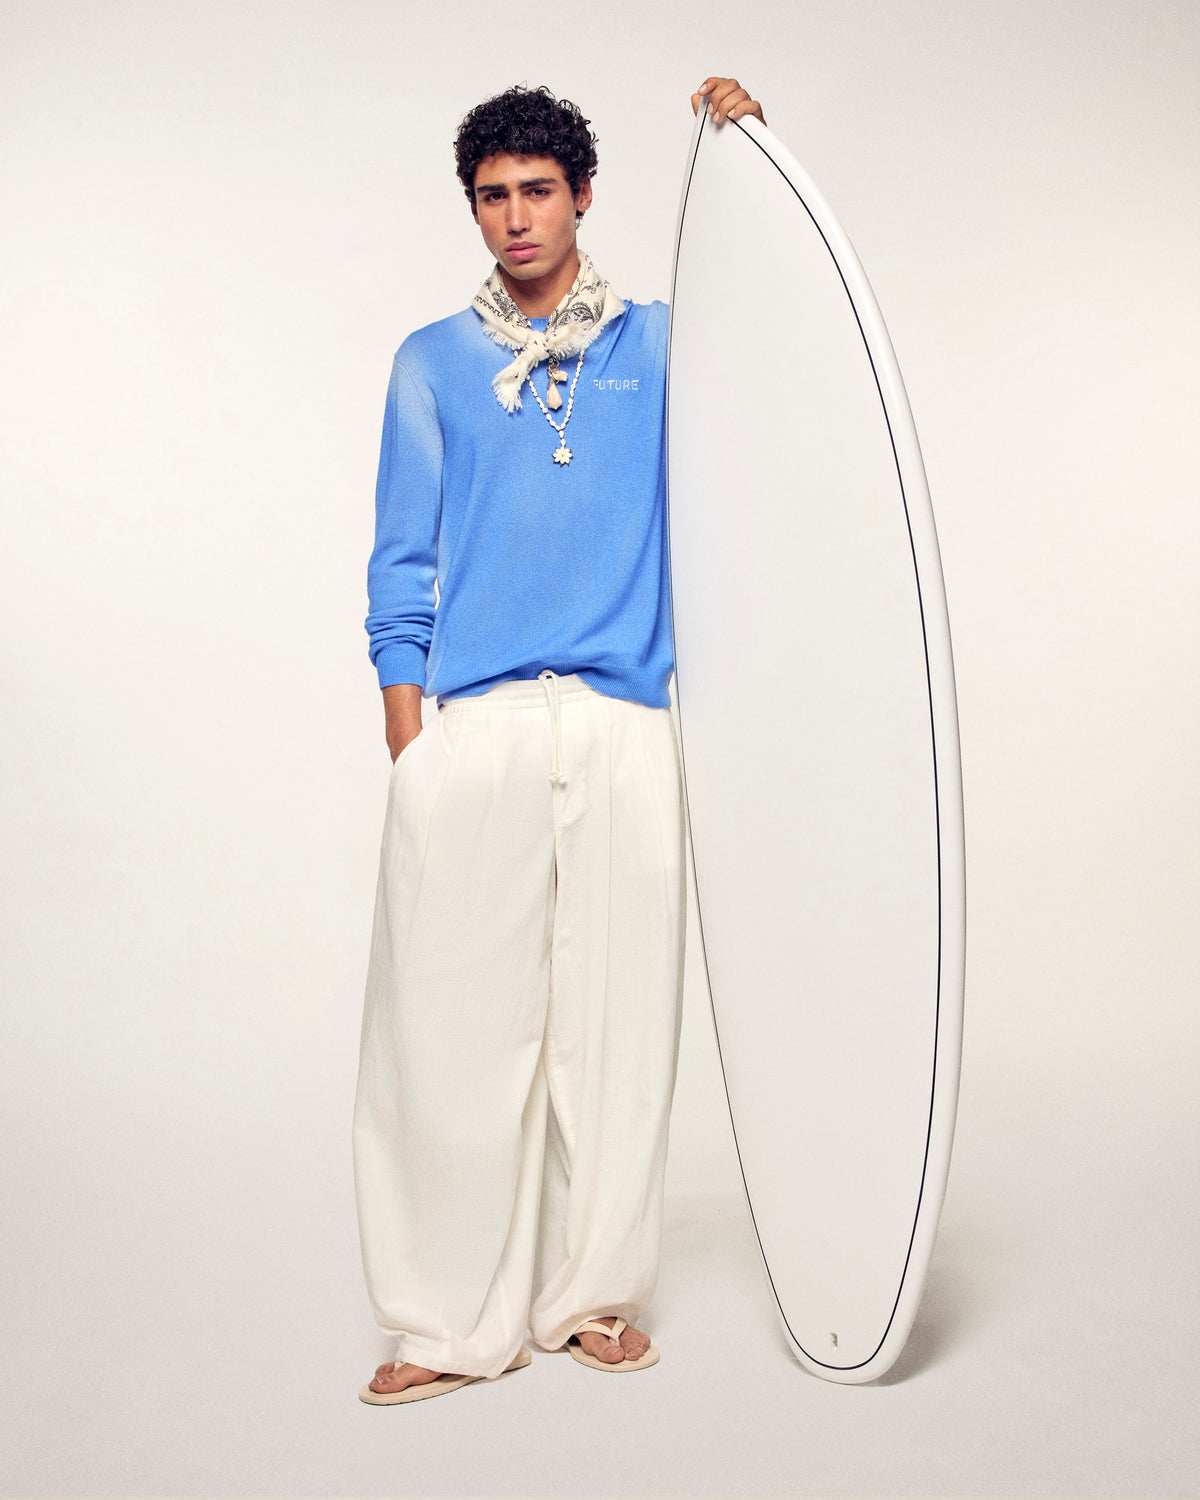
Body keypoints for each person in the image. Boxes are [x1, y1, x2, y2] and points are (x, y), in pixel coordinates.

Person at [353, 76, 765, 1404]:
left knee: (616, 1030)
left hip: (624, 720)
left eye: (539, 190)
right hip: (478, 725)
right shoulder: (433, 361)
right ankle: (444, 1321)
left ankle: (591, 1296)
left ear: (583, 195)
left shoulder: (665, 348)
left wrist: (749, 153)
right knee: (448, 1030)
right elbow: (401, 559)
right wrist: (412, 740)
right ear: (472, 208)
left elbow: (781, 349)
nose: (517, 217)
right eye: (493, 196)